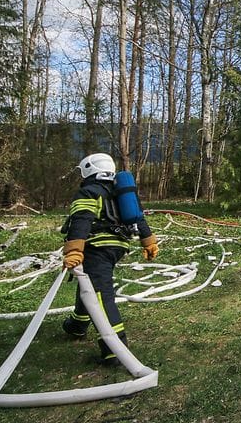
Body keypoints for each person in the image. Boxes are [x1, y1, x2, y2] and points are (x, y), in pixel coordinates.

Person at [60, 152, 159, 365]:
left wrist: (74, 250)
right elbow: (138, 218)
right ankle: (77, 325)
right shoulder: (119, 193)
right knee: (89, 284)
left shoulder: (88, 192)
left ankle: (115, 349)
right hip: (117, 247)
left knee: (100, 296)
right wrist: (149, 242)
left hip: (97, 248)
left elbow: (81, 221)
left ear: (88, 170)